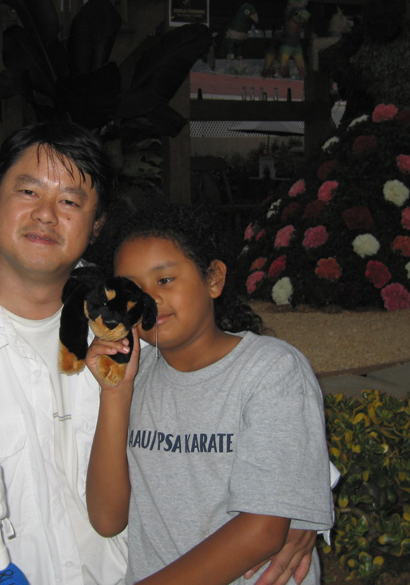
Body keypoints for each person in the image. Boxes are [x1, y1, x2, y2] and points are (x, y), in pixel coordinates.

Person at [0, 122, 322, 585]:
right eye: (29, 192)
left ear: (96, 225)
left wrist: (297, 505)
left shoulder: (132, 316)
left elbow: (234, 388)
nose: (46, 214)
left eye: (71, 201)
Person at [85, 204, 335, 585]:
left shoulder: (271, 370)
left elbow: (263, 529)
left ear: (214, 279)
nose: (148, 301)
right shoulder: (137, 376)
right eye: (131, 289)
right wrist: (115, 394)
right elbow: (107, 519)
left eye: (165, 280)